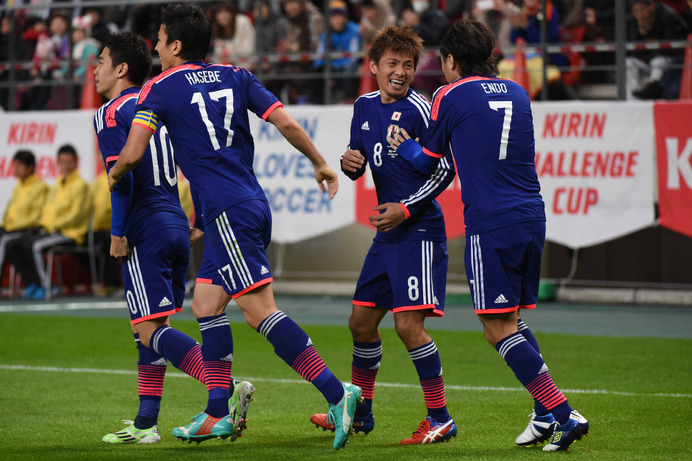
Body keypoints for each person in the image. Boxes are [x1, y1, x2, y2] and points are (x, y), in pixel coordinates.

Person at [106, 3, 361, 450]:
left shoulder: (158, 88)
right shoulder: (237, 75)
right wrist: (319, 162)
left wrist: (114, 175)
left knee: (259, 309)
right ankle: (217, 411)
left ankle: (338, 394)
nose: (157, 46)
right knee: (205, 303)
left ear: (176, 45)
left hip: (226, 211)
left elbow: (130, 154)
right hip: (248, 203)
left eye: (161, 39)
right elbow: (282, 120)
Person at [388, 19, 590, 452]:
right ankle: (542, 414)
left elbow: (426, 161)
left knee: (495, 327)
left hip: (491, 222)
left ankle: (562, 412)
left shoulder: (449, 93)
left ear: (450, 60)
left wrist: (403, 143)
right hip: (531, 216)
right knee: (512, 320)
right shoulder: (518, 90)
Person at [93, 31, 255, 444]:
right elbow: (196, 162)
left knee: (148, 329)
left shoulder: (113, 111)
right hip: (176, 224)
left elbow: (122, 179)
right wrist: (196, 217)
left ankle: (222, 387)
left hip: (144, 224)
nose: (94, 68)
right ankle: (146, 424)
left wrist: (116, 232)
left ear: (121, 69)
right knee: (150, 327)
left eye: (101, 61)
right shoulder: (160, 103)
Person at [308, 25, 458, 445]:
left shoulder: (424, 109)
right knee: (360, 322)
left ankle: (441, 417)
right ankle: (361, 414)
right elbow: (360, 162)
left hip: (420, 229)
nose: (401, 72)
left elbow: (445, 168)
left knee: (409, 326)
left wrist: (407, 208)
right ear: (373, 66)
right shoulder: (363, 106)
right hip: (388, 233)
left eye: (408, 65)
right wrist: (348, 161)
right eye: (392, 63)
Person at [5, 144, 92, 300]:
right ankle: (32, 283)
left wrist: (51, 226)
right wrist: (45, 226)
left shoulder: (81, 186)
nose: (65, 165)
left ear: (76, 162)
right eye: (62, 161)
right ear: (57, 162)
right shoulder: (57, 184)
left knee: (35, 245)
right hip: (52, 232)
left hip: (70, 233)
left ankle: (47, 287)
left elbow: (76, 215)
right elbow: (48, 211)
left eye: (68, 161)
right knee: (13, 245)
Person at [0, 150, 49, 280]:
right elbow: (8, 213)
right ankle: (31, 282)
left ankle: (34, 282)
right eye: (14, 166)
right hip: (11, 229)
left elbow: (37, 216)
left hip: (28, 230)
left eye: (19, 166)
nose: (15, 169)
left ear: (30, 167)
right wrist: (5, 225)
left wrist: (11, 226)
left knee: (5, 242)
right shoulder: (17, 188)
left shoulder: (40, 187)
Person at [626, 0, 688, 99]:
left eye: (642, 10)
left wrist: (647, 48)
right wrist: (640, 34)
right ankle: (634, 102)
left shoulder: (667, 15)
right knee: (628, 63)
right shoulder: (633, 20)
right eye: (636, 11)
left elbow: (668, 50)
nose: (640, 15)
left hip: (671, 62)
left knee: (658, 61)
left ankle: (654, 97)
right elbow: (631, 50)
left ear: (652, 6)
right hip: (646, 60)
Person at [313, 1, 363, 102]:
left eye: (341, 16)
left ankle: (349, 100)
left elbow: (353, 58)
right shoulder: (326, 33)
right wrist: (328, 68)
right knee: (316, 72)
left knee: (348, 74)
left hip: (350, 67)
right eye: (334, 16)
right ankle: (318, 103)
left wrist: (334, 66)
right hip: (333, 67)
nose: (338, 20)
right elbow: (320, 58)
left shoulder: (355, 31)